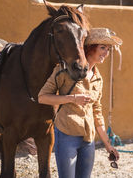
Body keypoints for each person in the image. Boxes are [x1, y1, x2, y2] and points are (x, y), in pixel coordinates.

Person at [38, 28, 122, 178]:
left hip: (88, 140)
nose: (106, 53)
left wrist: (108, 145)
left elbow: (97, 112)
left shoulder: (98, 78)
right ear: (90, 48)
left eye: (108, 49)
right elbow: (42, 97)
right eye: (103, 48)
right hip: (66, 135)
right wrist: (72, 98)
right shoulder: (64, 70)